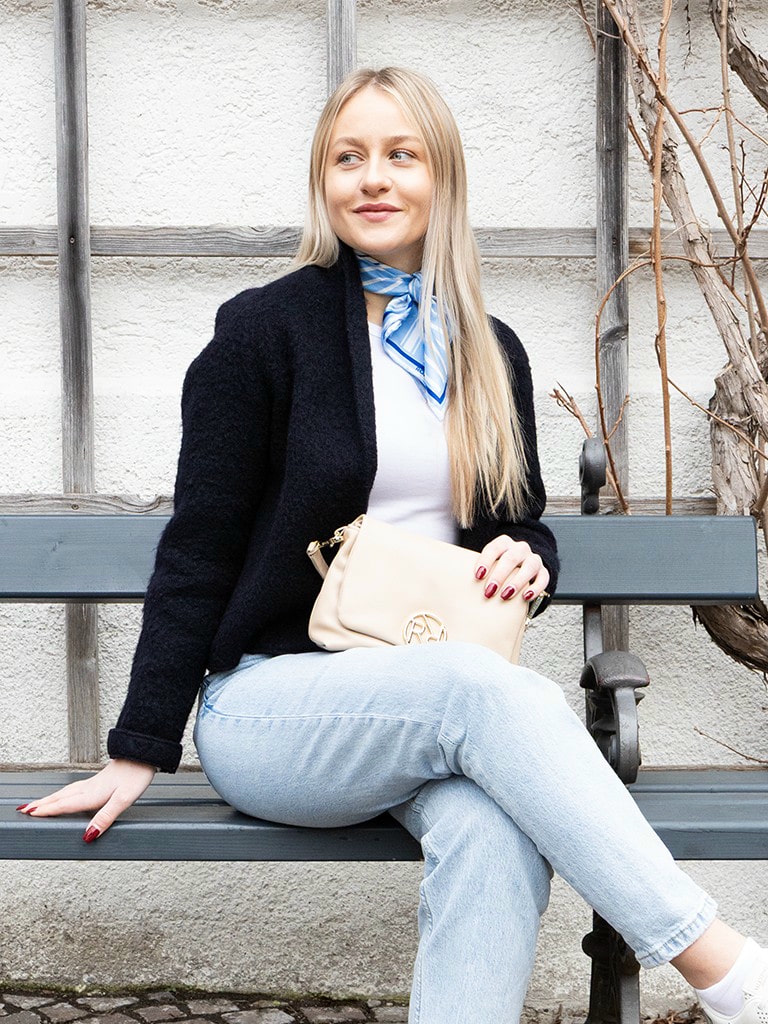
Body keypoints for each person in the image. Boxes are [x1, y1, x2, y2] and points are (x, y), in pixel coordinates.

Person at [17, 66, 767, 1024]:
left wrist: (528, 558)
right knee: (476, 687)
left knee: (499, 832)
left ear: (440, 177)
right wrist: (138, 747)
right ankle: (731, 977)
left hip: (433, 714)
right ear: (323, 182)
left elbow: (518, 520)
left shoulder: (489, 351)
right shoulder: (262, 333)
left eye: (400, 155)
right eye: (348, 157)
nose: (373, 178)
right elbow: (199, 546)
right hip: (272, 706)